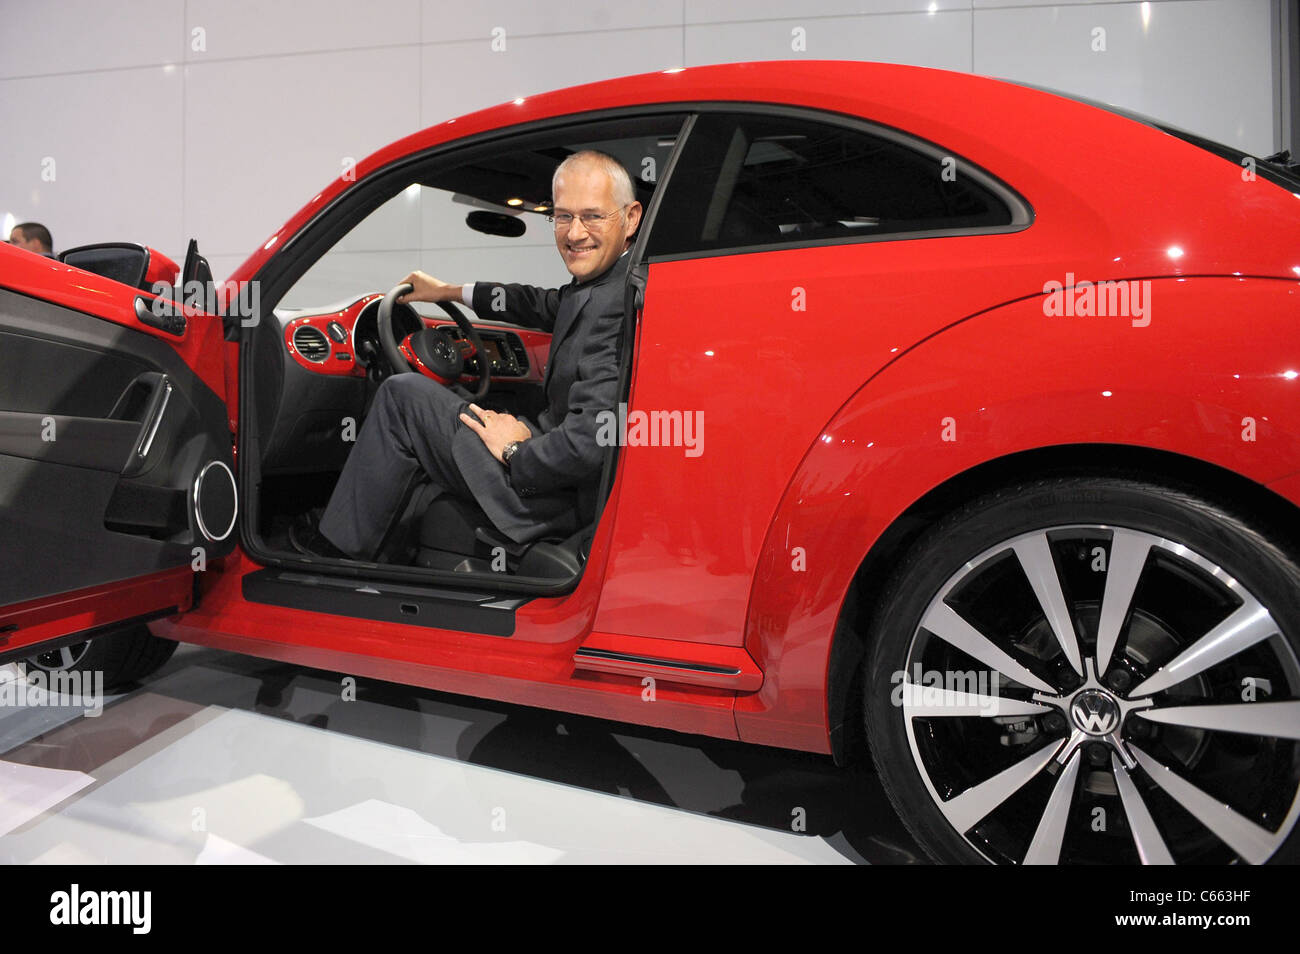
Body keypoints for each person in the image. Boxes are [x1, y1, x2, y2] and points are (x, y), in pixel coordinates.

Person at [295, 150, 642, 561]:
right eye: (564, 217)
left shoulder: (614, 303)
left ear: (631, 217)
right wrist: (448, 291)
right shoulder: (608, 284)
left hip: (549, 496)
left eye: (592, 216)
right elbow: (542, 303)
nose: (574, 233)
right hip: (556, 473)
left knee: (401, 396)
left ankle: (331, 555)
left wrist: (516, 451)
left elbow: (589, 442)